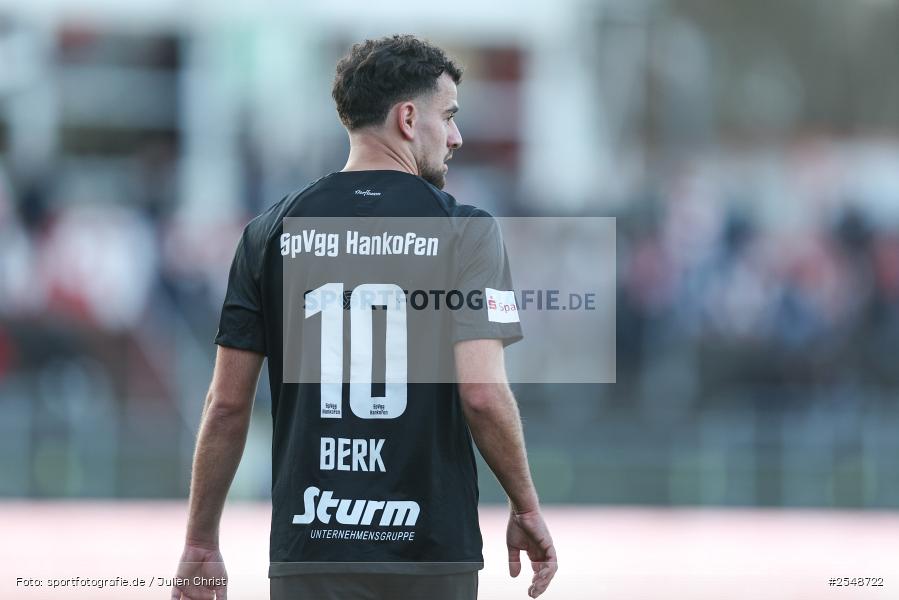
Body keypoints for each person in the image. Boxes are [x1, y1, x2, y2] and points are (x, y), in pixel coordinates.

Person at [171, 34, 557, 600]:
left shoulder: (269, 231)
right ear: (407, 118)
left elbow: (227, 404)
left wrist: (201, 540)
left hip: (311, 547)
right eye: (447, 117)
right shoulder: (466, 231)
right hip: (429, 552)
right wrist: (525, 505)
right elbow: (482, 394)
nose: (456, 136)